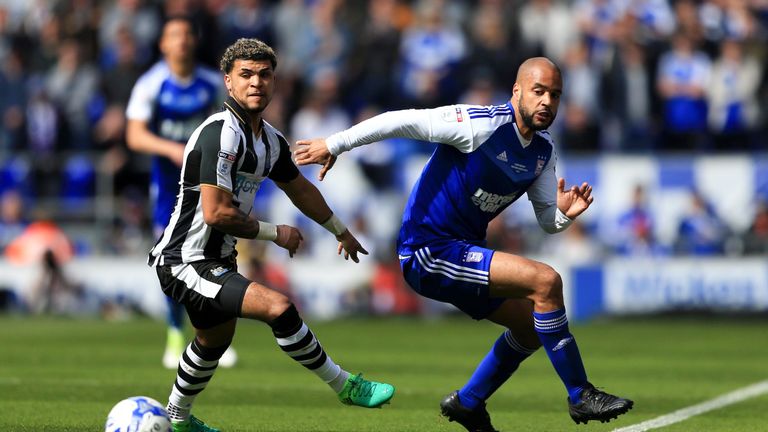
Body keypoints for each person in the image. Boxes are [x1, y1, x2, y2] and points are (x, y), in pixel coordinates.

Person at [295, 57, 633, 431]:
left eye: (555, 95)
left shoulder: (543, 151)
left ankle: (468, 403)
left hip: (460, 250)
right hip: (427, 249)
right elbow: (399, 120)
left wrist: (565, 214)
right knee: (546, 281)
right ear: (516, 91)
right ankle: (580, 395)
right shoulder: (478, 124)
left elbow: (547, 222)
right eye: (538, 91)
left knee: (531, 328)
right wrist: (335, 143)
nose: (547, 102)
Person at [148, 38, 395, 432]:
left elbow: (300, 189)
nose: (256, 83)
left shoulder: (270, 140)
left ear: (274, 82)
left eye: (264, 75)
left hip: (216, 259)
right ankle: (345, 385)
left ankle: (177, 419)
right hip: (185, 259)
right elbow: (215, 213)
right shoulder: (219, 134)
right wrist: (273, 233)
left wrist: (340, 231)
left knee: (213, 342)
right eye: (245, 75)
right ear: (228, 82)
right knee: (278, 308)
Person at [126, 16, 237, 369]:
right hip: (169, 189)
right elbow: (135, 135)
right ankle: (176, 332)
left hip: (210, 183)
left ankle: (214, 336)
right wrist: (172, 149)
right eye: (175, 34)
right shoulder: (151, 84)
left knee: (215, 255)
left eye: (189, 33)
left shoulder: (210, 83)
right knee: (174, 260)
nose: (183, 40)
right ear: (163, 44)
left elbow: (230, 122)